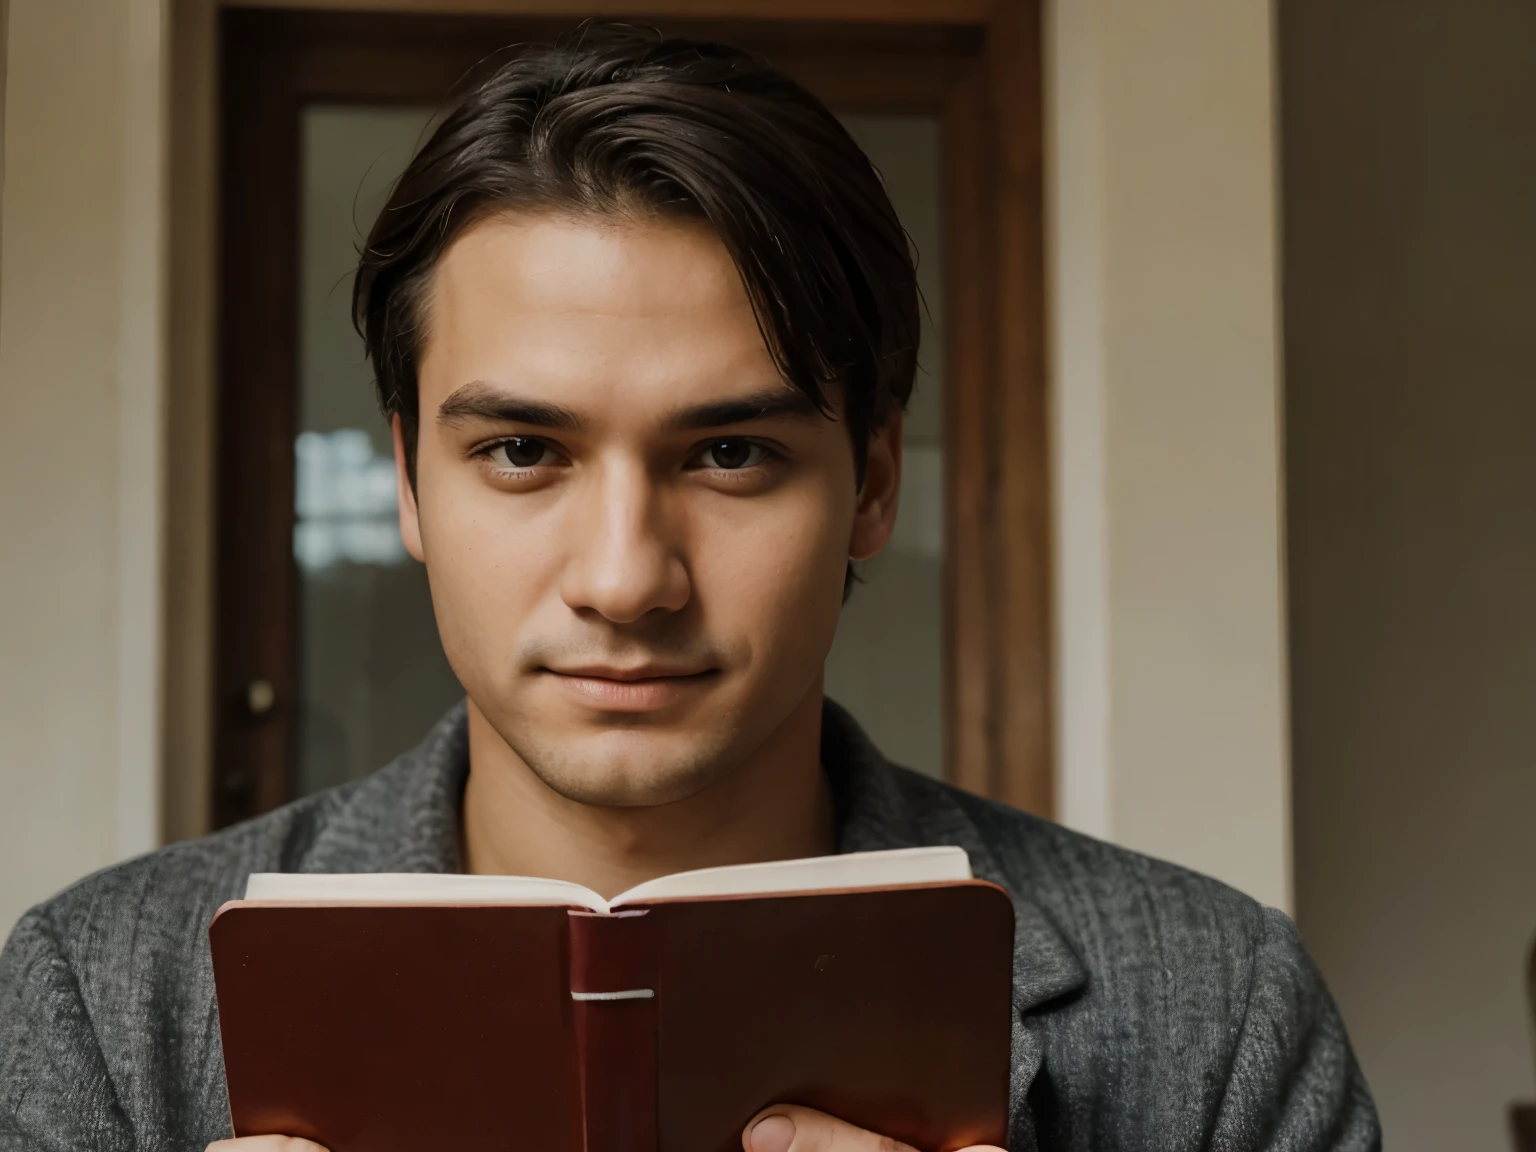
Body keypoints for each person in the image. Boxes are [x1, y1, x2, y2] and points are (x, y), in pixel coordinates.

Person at [0, 24, 1379, 1152]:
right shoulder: (99, 1005)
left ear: (874, 483)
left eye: (730, 453)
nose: (625, 579)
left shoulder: (1223, 1009)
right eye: (523, 451)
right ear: (412, 487)